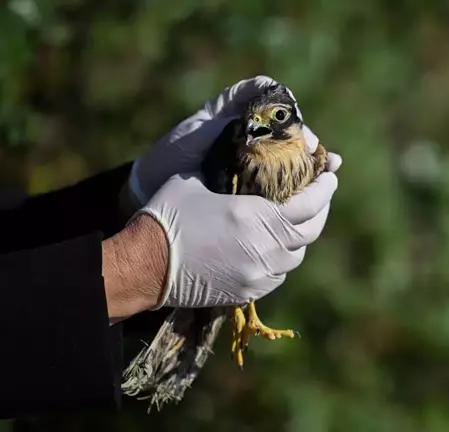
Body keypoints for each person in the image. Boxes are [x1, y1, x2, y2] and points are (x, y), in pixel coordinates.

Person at [0, 76, 342, 419]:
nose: (259, 125)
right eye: (254, 118)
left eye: (278, 117)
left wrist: (127, 200)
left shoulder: (311, 157)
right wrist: (137, 268)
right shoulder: (238, 158)